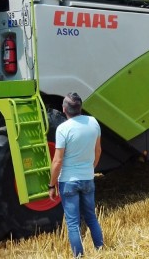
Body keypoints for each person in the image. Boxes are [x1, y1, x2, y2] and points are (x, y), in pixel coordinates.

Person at [49, 92, 104, 257]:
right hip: (88, 178)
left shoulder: (63, 129)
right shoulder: (93, 122)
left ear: (64, 109)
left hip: (68, 182)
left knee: (73, 223)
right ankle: (100, 249)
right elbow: (98, 150)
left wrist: (52, 185)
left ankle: (78, 255)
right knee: (91, 217)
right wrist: (90, 168)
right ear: (80, 107)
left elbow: (57, 161)